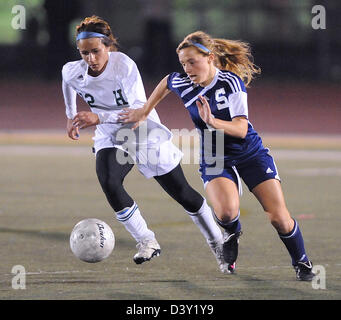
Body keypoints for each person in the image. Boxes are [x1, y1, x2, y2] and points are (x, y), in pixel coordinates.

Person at [119, 31, 315, 281]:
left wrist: (213, 121)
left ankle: (301, 261)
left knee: (279, 218)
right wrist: (144, 111)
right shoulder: (184, 82)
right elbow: (167, 82)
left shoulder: (230, 82)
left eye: (192, 62)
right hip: (214, 154)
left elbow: (241, 129)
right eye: (183, 63)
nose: (187, 69)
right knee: (225, 213)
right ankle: (232, 234)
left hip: (249, 153)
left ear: (210, 58)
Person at [62, 17, 231, 273]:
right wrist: (70, 115)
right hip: (110, 133)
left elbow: (137, 112)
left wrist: (97, 117)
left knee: (182, 193)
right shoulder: (71, 70)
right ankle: (146, 240)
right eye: (84, 53)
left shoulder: (124, 66)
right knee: (108, 179)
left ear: (108, 46)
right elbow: (67, 83)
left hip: (142, 130)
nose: (91, 59)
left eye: (96, 51)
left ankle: (218, 242)